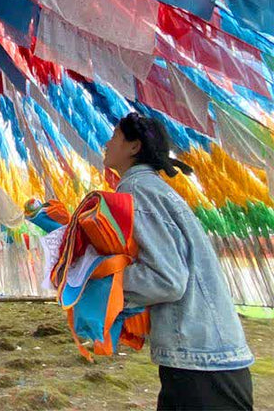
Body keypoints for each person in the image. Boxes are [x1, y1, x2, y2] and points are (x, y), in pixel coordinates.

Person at [103, 112, 254, 411]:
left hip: (201, 365)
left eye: (114, 136)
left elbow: (166, 280)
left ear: (134, 147)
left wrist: (102, 280)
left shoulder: (136, 190)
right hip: (209, 355)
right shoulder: (154, 188)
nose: (107, 144)